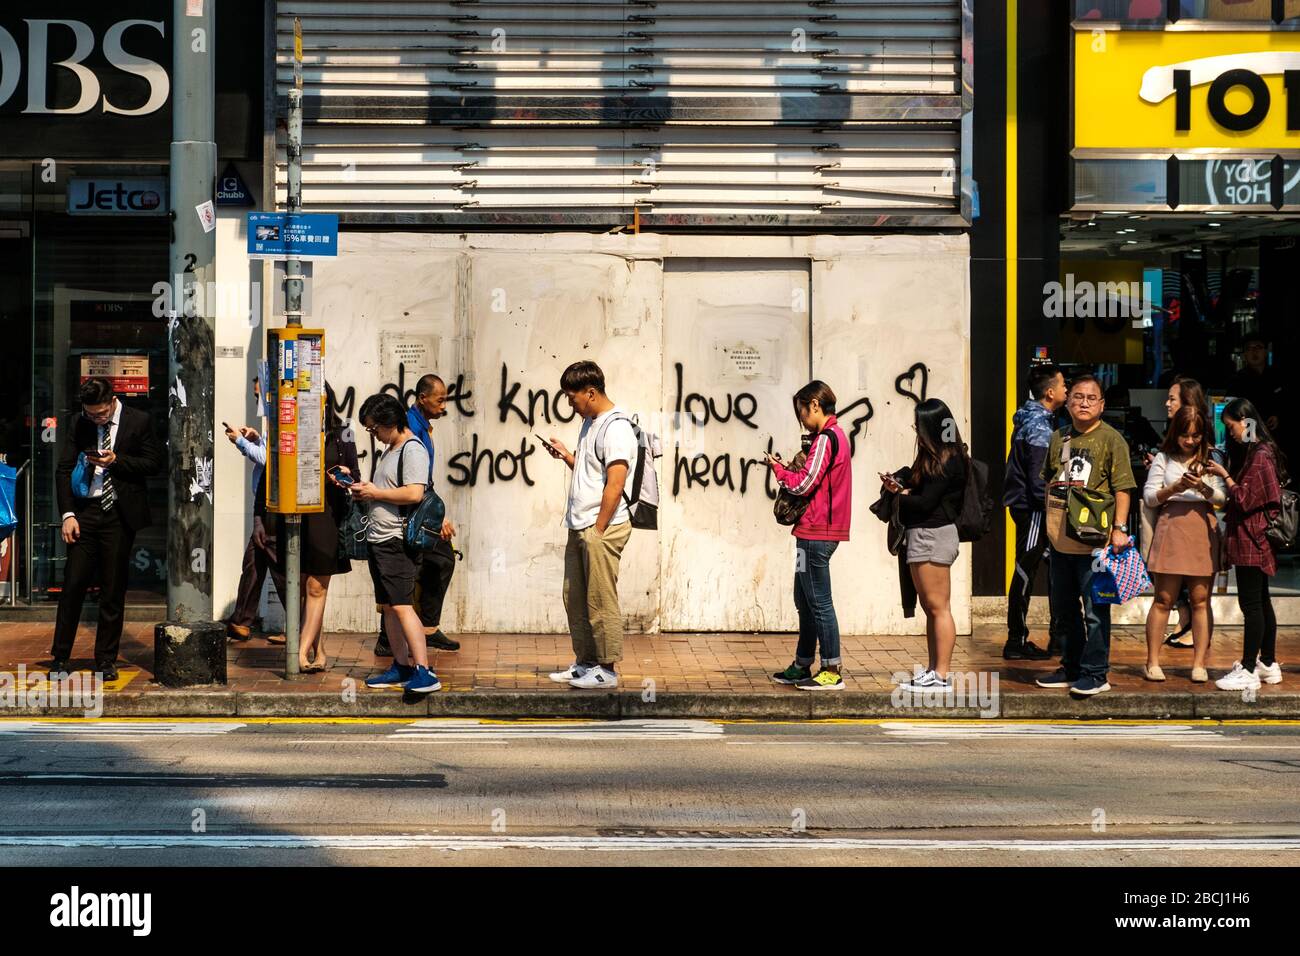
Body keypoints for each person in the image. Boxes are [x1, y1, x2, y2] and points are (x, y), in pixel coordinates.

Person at [51, 377, 165, 681]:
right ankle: (61, 656)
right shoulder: (79, 423)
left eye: (100, 414)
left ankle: (106, 659)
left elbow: (154, 463)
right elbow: (63, 469)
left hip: (118, 513)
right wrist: (67, 514)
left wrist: (117, 461)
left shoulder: (138, 421)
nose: (95, 419)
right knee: (73, 585)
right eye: (90, 414)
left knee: (113, 589)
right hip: (85, 512)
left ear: (112, 401)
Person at [1034, 374, 1138, 698]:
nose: (1083, 402)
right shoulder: (1059, 438)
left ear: (1102, 405)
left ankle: (1096, 673)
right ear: (1067, 401)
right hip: (1061, 539)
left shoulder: (1112, 440)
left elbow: (1123, 489)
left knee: (1095, 610)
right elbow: (1048, 482)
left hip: (1096, 544)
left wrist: (1119, 530)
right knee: (1063, 609)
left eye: (1091, 398)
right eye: (1077, 396)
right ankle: (1073, 666)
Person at [541, 361, 636, 690]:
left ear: (591, 393)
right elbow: (591, 472)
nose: (570, 403)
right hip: (580, 524)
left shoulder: (616, 427)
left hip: (601, 527)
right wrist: (567, 456)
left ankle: (607, 669)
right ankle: (586, 663)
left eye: (572, 397)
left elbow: (615, 483)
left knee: (599, 598)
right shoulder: (590, 423)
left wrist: (598, 530)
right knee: (576, 595)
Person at [765, 381, 852, 691]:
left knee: (819, 602)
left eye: (802, 410)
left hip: (818, 533)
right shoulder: (829, 437)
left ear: (814, 405)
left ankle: (831, 669)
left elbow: (804, 483)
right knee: (804, 599)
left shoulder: (827, 439)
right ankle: (803, 664)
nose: (801, 417)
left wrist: (778, 471)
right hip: (809, 533)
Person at [352, 394, 441, 694]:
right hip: (380, 539)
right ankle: (401, 665)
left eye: (374, 428)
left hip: (397, 541)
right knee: (389, 607)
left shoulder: (412, 450)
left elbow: (414, 494)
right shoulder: (391, 450)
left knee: (403, 606)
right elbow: (387, 490)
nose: (373, 435)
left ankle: (424, 670)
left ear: (390, 422)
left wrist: (374, 494)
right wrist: (365, 492)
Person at [880, 398, 968, 692]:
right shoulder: (934, 457)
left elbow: (927, 502)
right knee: (931, 608)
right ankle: (933, 670)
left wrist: (900, 495)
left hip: (934, 535)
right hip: (923, 534)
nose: (916, 431)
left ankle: (941, 674)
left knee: (938, 607)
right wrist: (902, 486)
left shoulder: (949, 459)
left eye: (919, 426)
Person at [274, 384, 358, 672]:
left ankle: (298, 652)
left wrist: (344, 476)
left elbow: (355, 474)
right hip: (298, 515)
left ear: (326, 400)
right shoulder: (289, 430)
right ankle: (319, 651)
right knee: (302, 584)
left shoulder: (343, 431)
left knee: (316, 586)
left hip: (328, 515)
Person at [1141, 405, 1226, 684]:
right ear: (1174, 433)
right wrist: (1175, 488)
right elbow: (1151, 497)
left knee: (1201, 600)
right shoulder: (1163, 458)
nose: (1190, 441)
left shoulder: (1210, 458)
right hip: (1171, 527)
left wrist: (1202, 486)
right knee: (1163, 599)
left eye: (1196, 435)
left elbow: (1222, 499)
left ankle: (1199, 663)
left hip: (1202, 528)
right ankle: (1152, 661)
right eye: (1185, 435)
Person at [1207, 398, 1288, 692]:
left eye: (1231, 426)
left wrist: (1224, 475)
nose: (1230, 433)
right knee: (1262, 603)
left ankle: (1250, 668)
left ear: (1246, 421)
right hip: (1255, 538)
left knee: (1251, 605)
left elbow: (1243, 498)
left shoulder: (1260, 455)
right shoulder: (1261, 452)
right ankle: (1267, 663)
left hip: (1252, 538)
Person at [375, 373, 459, 656]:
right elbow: (413, 482)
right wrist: (436, 517)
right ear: (423, 399)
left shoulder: (422, 425)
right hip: (413, 509)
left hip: (420, 504)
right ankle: (398, 637)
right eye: (440, 400)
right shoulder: (413, 429)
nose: (443, 406)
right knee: (425, 564)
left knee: (436, 561)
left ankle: (420, 630)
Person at [1002, 363, 1066, 660]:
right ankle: (1016, 640)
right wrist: (1052, 507)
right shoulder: (1040, 426)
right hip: (1034, 509)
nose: (1068, 390)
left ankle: (1057, 636)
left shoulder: (1035, 419)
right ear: (1050, 392)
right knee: (1025, 569)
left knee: (1040, 568)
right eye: (1064, 386)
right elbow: (1038, 477)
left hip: (1031, 506)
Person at [224, 422, 288, 643]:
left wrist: (240, 442)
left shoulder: (283, 414)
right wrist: (258, 440)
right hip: (264, 505)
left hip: (275, 507)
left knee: (279, 569)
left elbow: (269, 460)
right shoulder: (275, 414)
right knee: (253, 563)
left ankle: (301, 626)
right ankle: (240, 622)